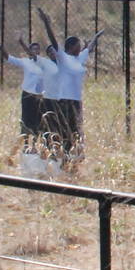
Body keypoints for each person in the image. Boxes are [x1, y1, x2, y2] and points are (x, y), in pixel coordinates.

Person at [40, 10, 104, 161]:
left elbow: (89, 48)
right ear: (71, 47)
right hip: (65, 100)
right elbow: (53, 40)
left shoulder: (79, 59)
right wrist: (47, 23)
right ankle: (64, 157)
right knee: (65, 129)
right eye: (77, 45)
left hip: (76, 100)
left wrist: (96, 37)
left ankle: (76, 156)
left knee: (77, 129)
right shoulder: (63, 57)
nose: (80, 47)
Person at [0, 33, 56, 146]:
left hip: (40, 96)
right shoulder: (26, 62)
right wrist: (2, 49)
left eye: (37, 49)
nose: (35, 51)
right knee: (26, 119)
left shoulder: (43, 63)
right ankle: (26, 143)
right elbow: (9, 58)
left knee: (39, 120)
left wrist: (22, 43)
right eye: (33, 49)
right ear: (29, 51)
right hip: (27, 95)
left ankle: (38, 143)